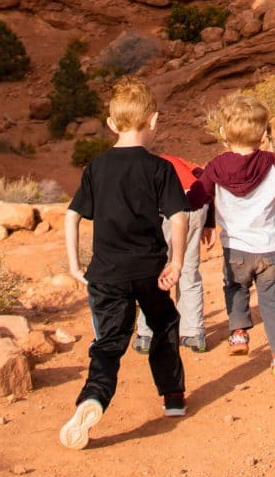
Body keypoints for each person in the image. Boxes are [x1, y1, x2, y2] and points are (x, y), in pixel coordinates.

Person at [60, 76, 188, 451]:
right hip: (150, 271)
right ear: (154, 120)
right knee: (164, 324)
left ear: (112, 124)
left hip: (106, 274)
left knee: (109, 343)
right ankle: (173, 397)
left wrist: (73, 264)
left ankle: (93, 398)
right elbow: (179, 217)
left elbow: (72, 216)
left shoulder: (96, 168)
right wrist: (176, 262)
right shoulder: (160, 168)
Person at [187, 90, 275, 400]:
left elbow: (195, 198)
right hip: (270, 250)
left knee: (235, 288)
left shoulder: (217, 166)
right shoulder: (271, 162)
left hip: (236, 250)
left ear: (223, 133)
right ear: (262, 134)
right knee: (273, 305)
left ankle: (238, 333)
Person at [134, 150, 210, 355]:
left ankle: (147, 334)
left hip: (170, 209)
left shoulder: (143, 166)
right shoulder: (177, 160)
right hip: (196, 206)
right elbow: (204, 177)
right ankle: (194, 333)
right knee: (189, 269)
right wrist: (209, 222)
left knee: (156, 271)